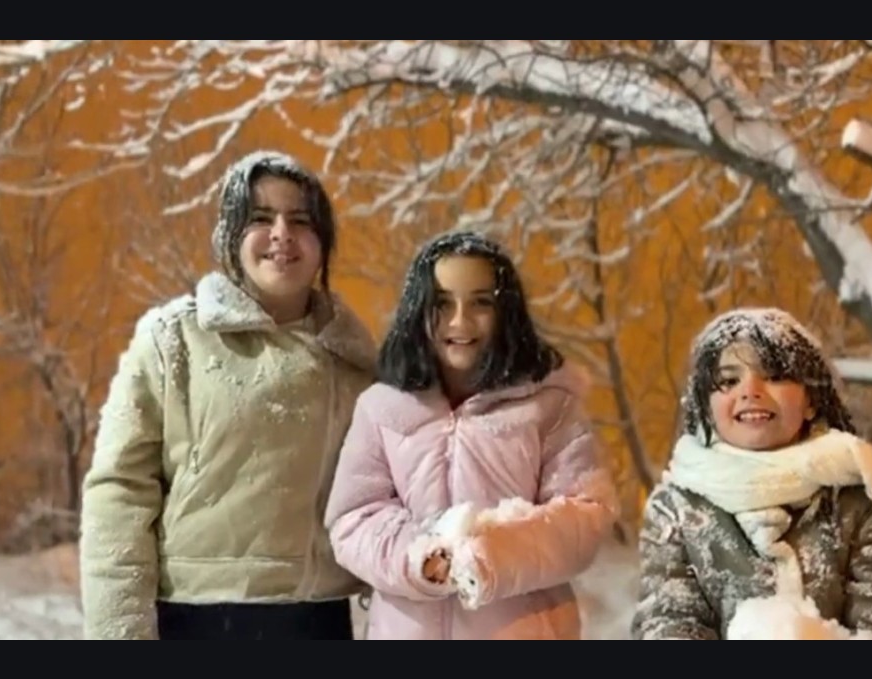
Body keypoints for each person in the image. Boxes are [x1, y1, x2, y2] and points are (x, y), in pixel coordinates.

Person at [79, 150, 376, 640]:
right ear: (230, 236)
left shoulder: (355, 362)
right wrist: (120, 633)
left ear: (323, 244)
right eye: (261, 218)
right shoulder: (173, 340)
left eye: (300, 220)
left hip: (316, 619)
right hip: (195, 618)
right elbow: (120, 491)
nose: (282, 233)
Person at [324, 229, 619, 640]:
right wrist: (419, 558)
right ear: (417, 310)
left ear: (506, 312)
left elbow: (583, 516)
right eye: (442, 303)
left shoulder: (549, 407)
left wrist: (490, 552)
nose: (459, 321)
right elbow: (353, 520)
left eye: (481, 302)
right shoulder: (380, 408)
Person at [631, 307, 872, 640]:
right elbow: (668, 622)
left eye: (774, 376)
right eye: (729, 380)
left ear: (811, 401)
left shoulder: (857, 500)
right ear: (706, 406)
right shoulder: (676, 508)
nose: (750, 391)